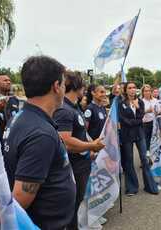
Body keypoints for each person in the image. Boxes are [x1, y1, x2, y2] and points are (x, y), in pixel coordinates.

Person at [2, 56, 76, 229]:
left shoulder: (21, 117)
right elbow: (19, 200)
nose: (65, 89)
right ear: (56, 86)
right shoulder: (41, 134)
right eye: (64, 84)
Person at [53, 71, 105, 230]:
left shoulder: (74, 108)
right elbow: (65, 142)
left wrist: (88, 146)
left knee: (78, 203)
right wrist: (91, 146)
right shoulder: (64, 110)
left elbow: (81, 133)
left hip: (82, 163)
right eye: (82, 85)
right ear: (77, 87)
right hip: (74, 167)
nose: (85, 88)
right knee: (72, 207)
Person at [119, 82, 159, 196]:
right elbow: (123, 120)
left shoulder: (139, 102)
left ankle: (150, 186)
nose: (132, 90)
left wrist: (137, 108)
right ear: (126, 90)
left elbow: (141, 116)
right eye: (129, 88)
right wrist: (136, 121)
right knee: (129, 161)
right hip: (126, 135)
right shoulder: (121, 103)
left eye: (134, 88)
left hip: (139, 134)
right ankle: (132, 187)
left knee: (145, 160)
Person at [0, 73, 19, 143]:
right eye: (5, 80)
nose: (8, 82)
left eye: (9, 80)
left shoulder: (14, 99)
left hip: (12, 141)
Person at [141, 84, 160, 156]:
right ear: (143, 92)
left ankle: (153, 157)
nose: (147, 92)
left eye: (149, 91)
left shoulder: (155, 100)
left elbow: (158, 111)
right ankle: (145, 159)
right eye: (145, 91)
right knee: (145, 141)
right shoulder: (141, 101)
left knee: (154, 140)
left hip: (154, 123)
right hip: (144, 124)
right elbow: (138, 114)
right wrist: (146, 111)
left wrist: (156, 112)